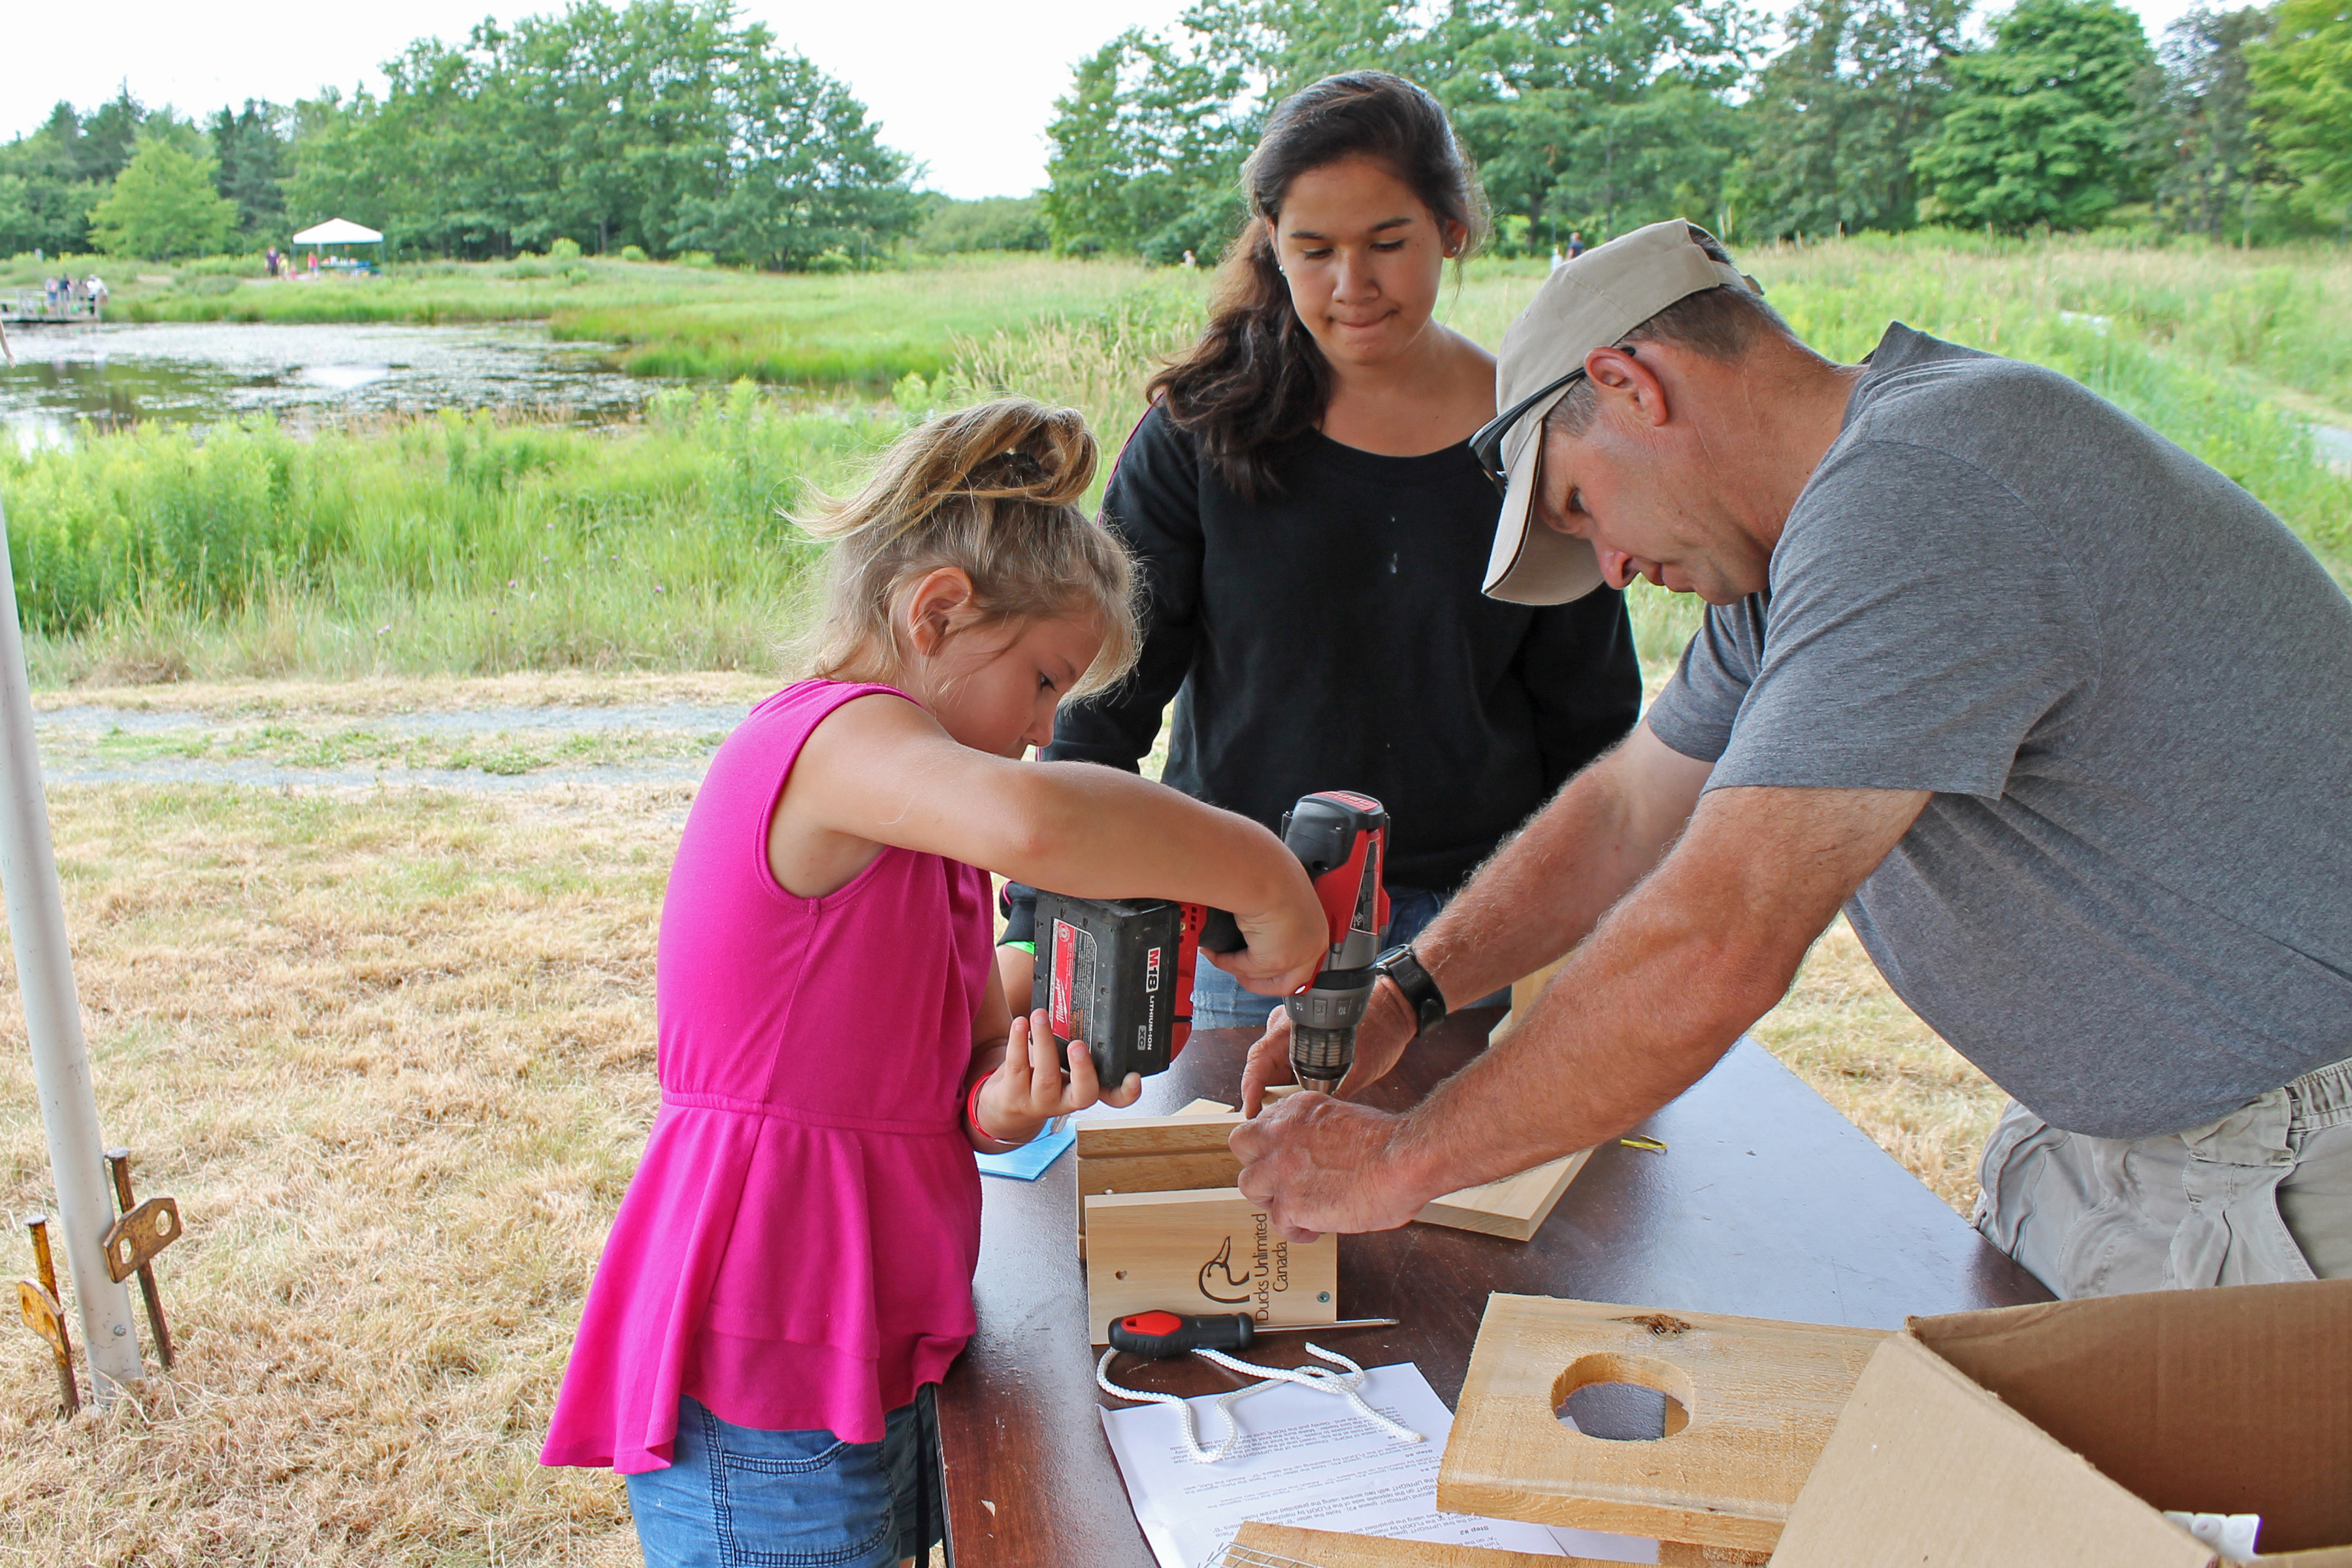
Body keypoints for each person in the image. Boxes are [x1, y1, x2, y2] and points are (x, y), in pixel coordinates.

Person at [1231, 219, 2352, 1299]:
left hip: (2296, 1159)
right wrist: (1410, 989)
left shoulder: (1921, 492)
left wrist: (1399, 1163)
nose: (1612, 567)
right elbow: (1627, 813)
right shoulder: (1791, 556)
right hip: (2143, 1152)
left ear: (1630, 384)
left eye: (1581, 505)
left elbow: (1718, 940)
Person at [540, 399, 1328, 1567]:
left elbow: (955, 1071)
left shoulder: (925, 836)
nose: (1046, 729)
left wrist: (1007, 1099)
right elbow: (1039, 821)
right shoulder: (829, 741)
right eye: (1044, 682)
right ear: (939, 611)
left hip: (879, 1336)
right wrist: (1263, 873)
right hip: (767, 1347)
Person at [997, 71, 1639, 1034]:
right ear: (1273, 242)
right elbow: (1105, 697)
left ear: (1452, 229)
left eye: (1388, 243)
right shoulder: (1199, 433)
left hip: (1480, 929)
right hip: (1245, 930)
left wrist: (1587, 927)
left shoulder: (1537, 438)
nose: (1353, 286)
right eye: (1314, 250)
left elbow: (1590, 723)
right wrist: (1038, 925)